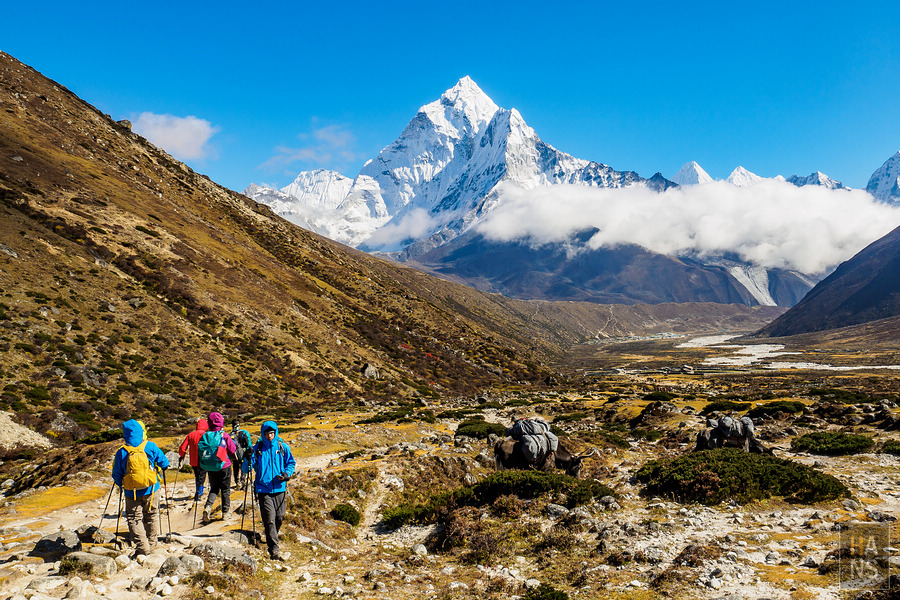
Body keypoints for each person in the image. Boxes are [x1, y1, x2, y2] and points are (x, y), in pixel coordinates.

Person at [112, 419, 169, 556]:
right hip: (151, 488)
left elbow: (116, 474)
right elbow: (165, 463)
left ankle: (143, 547)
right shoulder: (150, 446)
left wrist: (121, 484)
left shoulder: (122, 452)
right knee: (152, 515)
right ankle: (152, 543)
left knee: (133, 518)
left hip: (131, 491)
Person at [243, 420, 296, 560]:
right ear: (263, 434)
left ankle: (271, 535)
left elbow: (291, 463)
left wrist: (286, 474)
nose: (270, 436)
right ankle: (274, 549)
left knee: (280, 517)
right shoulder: (257, 449)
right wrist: (247, 458)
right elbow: (245, 469)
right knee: (270, 519)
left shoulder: (282, 447)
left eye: (272, 433)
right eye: (267, 433)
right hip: (263, 489)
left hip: (280, 487)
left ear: (275, 432)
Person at [200, 411, 238, 523]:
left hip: (211, 467)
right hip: (224, 465)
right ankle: (225, 513)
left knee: (214, 488)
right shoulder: (223, 435)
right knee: (225, 489)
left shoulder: (205, 435)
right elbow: (232, 449)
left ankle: (208, 506)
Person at [178, 417, 209, 501]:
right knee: (202, 476)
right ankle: (199, 493)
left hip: (194, 460)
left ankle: (198, 492)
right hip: (204, 459)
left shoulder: (190, 435)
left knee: (197, 476)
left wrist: (182, 455)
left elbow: (183, 448)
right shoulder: (206, 435)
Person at [231, 418, 252, 489]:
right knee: (243, 467)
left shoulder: (230, 435)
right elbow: (248, 443)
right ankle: (243, 481)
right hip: (243, 453)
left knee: (235, 468)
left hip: (234, 454)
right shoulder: (243, 433)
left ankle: (237, 482)